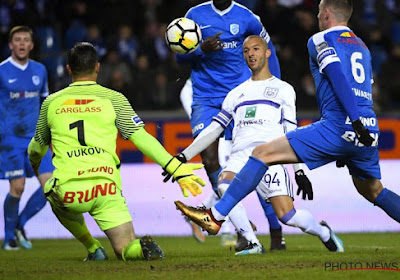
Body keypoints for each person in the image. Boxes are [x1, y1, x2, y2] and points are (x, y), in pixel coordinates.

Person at [176, 0, 400, 250]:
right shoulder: (363, 47)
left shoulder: (319, 40)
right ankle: (255, 230)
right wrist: (360, 125)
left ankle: (215, 217)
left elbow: (336, 74)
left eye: (318, 12)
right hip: (368, 130)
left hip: (339, 125)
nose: (316, 17)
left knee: (261, 153)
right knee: (374, 191)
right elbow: (366, 89)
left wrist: (352, 122)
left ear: (326, 14)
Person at [27, 42, 206, 261]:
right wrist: (175, 167)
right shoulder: (114, 99)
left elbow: (36, 148)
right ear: (97, 67)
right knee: (125, 248)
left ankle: (93, 248)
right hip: (105, 187)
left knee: (50, 189)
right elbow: (141, 137)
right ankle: (140, 249)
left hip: (69, 190)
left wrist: (35, 163)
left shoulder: (51, 102)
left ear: (68, 69)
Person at [175, 35, 342, 254]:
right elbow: (214, 129)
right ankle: (251, 241)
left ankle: (323, 232)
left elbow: (291, 131)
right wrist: (184, 156)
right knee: (224, 184)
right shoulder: (235, 94)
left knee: (288, 217)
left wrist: (299, 170)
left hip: (272, 157)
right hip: (241, 155)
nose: (251, 54)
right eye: (246, 51)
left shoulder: (283, 89)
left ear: (267, 53)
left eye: (255, 49)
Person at [173, 0, 304, 251]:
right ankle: (243, 230)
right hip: (206, 98)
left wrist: (273, 86)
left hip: (243, 96)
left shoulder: (248, 18)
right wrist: (200, 49)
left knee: (257, 161)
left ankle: (275, 231)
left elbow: (269, 50)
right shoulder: (194, 15)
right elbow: (180, 59)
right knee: (210, 159)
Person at [0, 26, 55, 250]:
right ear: (10, 45)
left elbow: (46, 103)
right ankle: (8, 238)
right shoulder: (2, 70)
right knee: (18, 188)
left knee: (51, 187)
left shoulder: (40, 70)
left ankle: (19, 224)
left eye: (26, 40)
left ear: (32, 45)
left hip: (37, 140)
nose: (22, 44)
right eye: (17, 40)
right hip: (10, 140)